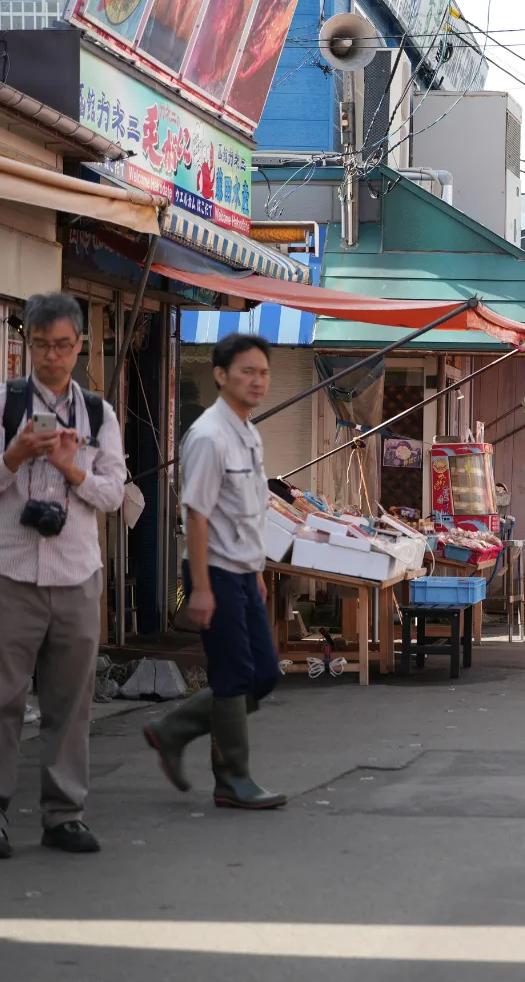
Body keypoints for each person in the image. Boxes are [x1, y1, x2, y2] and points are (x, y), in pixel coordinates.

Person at [0, 293, 126, 857]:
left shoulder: (98, 414)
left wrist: (71, 468)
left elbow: (114, 493)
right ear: (27, 344)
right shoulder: (4, 404)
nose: (51, 356)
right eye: (41, 344)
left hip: (76, 574)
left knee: (71, 702)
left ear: (80, 346)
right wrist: (16, 455)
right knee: (1, 699)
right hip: (11, 572)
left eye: (63, 345)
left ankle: (64, 814)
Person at [145, 332, 285, 810]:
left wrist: (260, 572)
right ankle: (232, 778)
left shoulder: (248, 430)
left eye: (263, 372)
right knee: (233, 676)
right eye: (246, 371)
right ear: (220, 375)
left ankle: (172, 729)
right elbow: (197, 514)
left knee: (264, 674)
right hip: (215, 573)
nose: (257, 380)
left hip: (244, 572)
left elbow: (247, 512)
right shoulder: (208, 435)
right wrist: (199, 589)